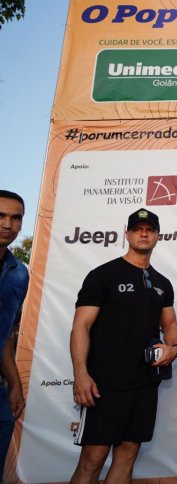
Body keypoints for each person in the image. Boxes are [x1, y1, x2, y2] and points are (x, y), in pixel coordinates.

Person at [70, 208, 177, 483]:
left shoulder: (162, 283)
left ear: (157, 236)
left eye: (150, 229)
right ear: (127, 234)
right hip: (105, 383)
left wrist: (174, 348)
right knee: (93, 459)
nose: (144, 233)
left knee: (128, 454)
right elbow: (80, 327)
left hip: (145, 383)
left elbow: (170, 326)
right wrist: (80, 373)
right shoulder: (103, 275)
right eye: (138, 229)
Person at [0, 190, 28, 466]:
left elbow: (6, 335)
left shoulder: (20, 273)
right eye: (1, 216)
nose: (8, 224)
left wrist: (15, 385)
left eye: (15, 218)